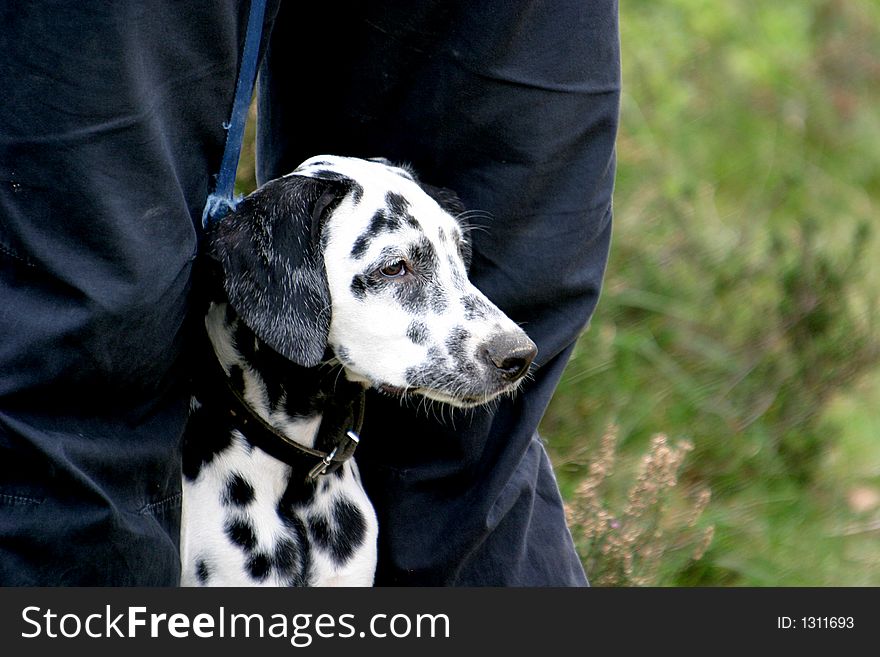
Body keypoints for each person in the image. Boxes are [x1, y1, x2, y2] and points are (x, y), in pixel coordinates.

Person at [0, 1, 619, 586]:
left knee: (516, 277)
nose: (506, 337)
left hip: (331, 496)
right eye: (399, 268)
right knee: (95, 302)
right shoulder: (285, 248)